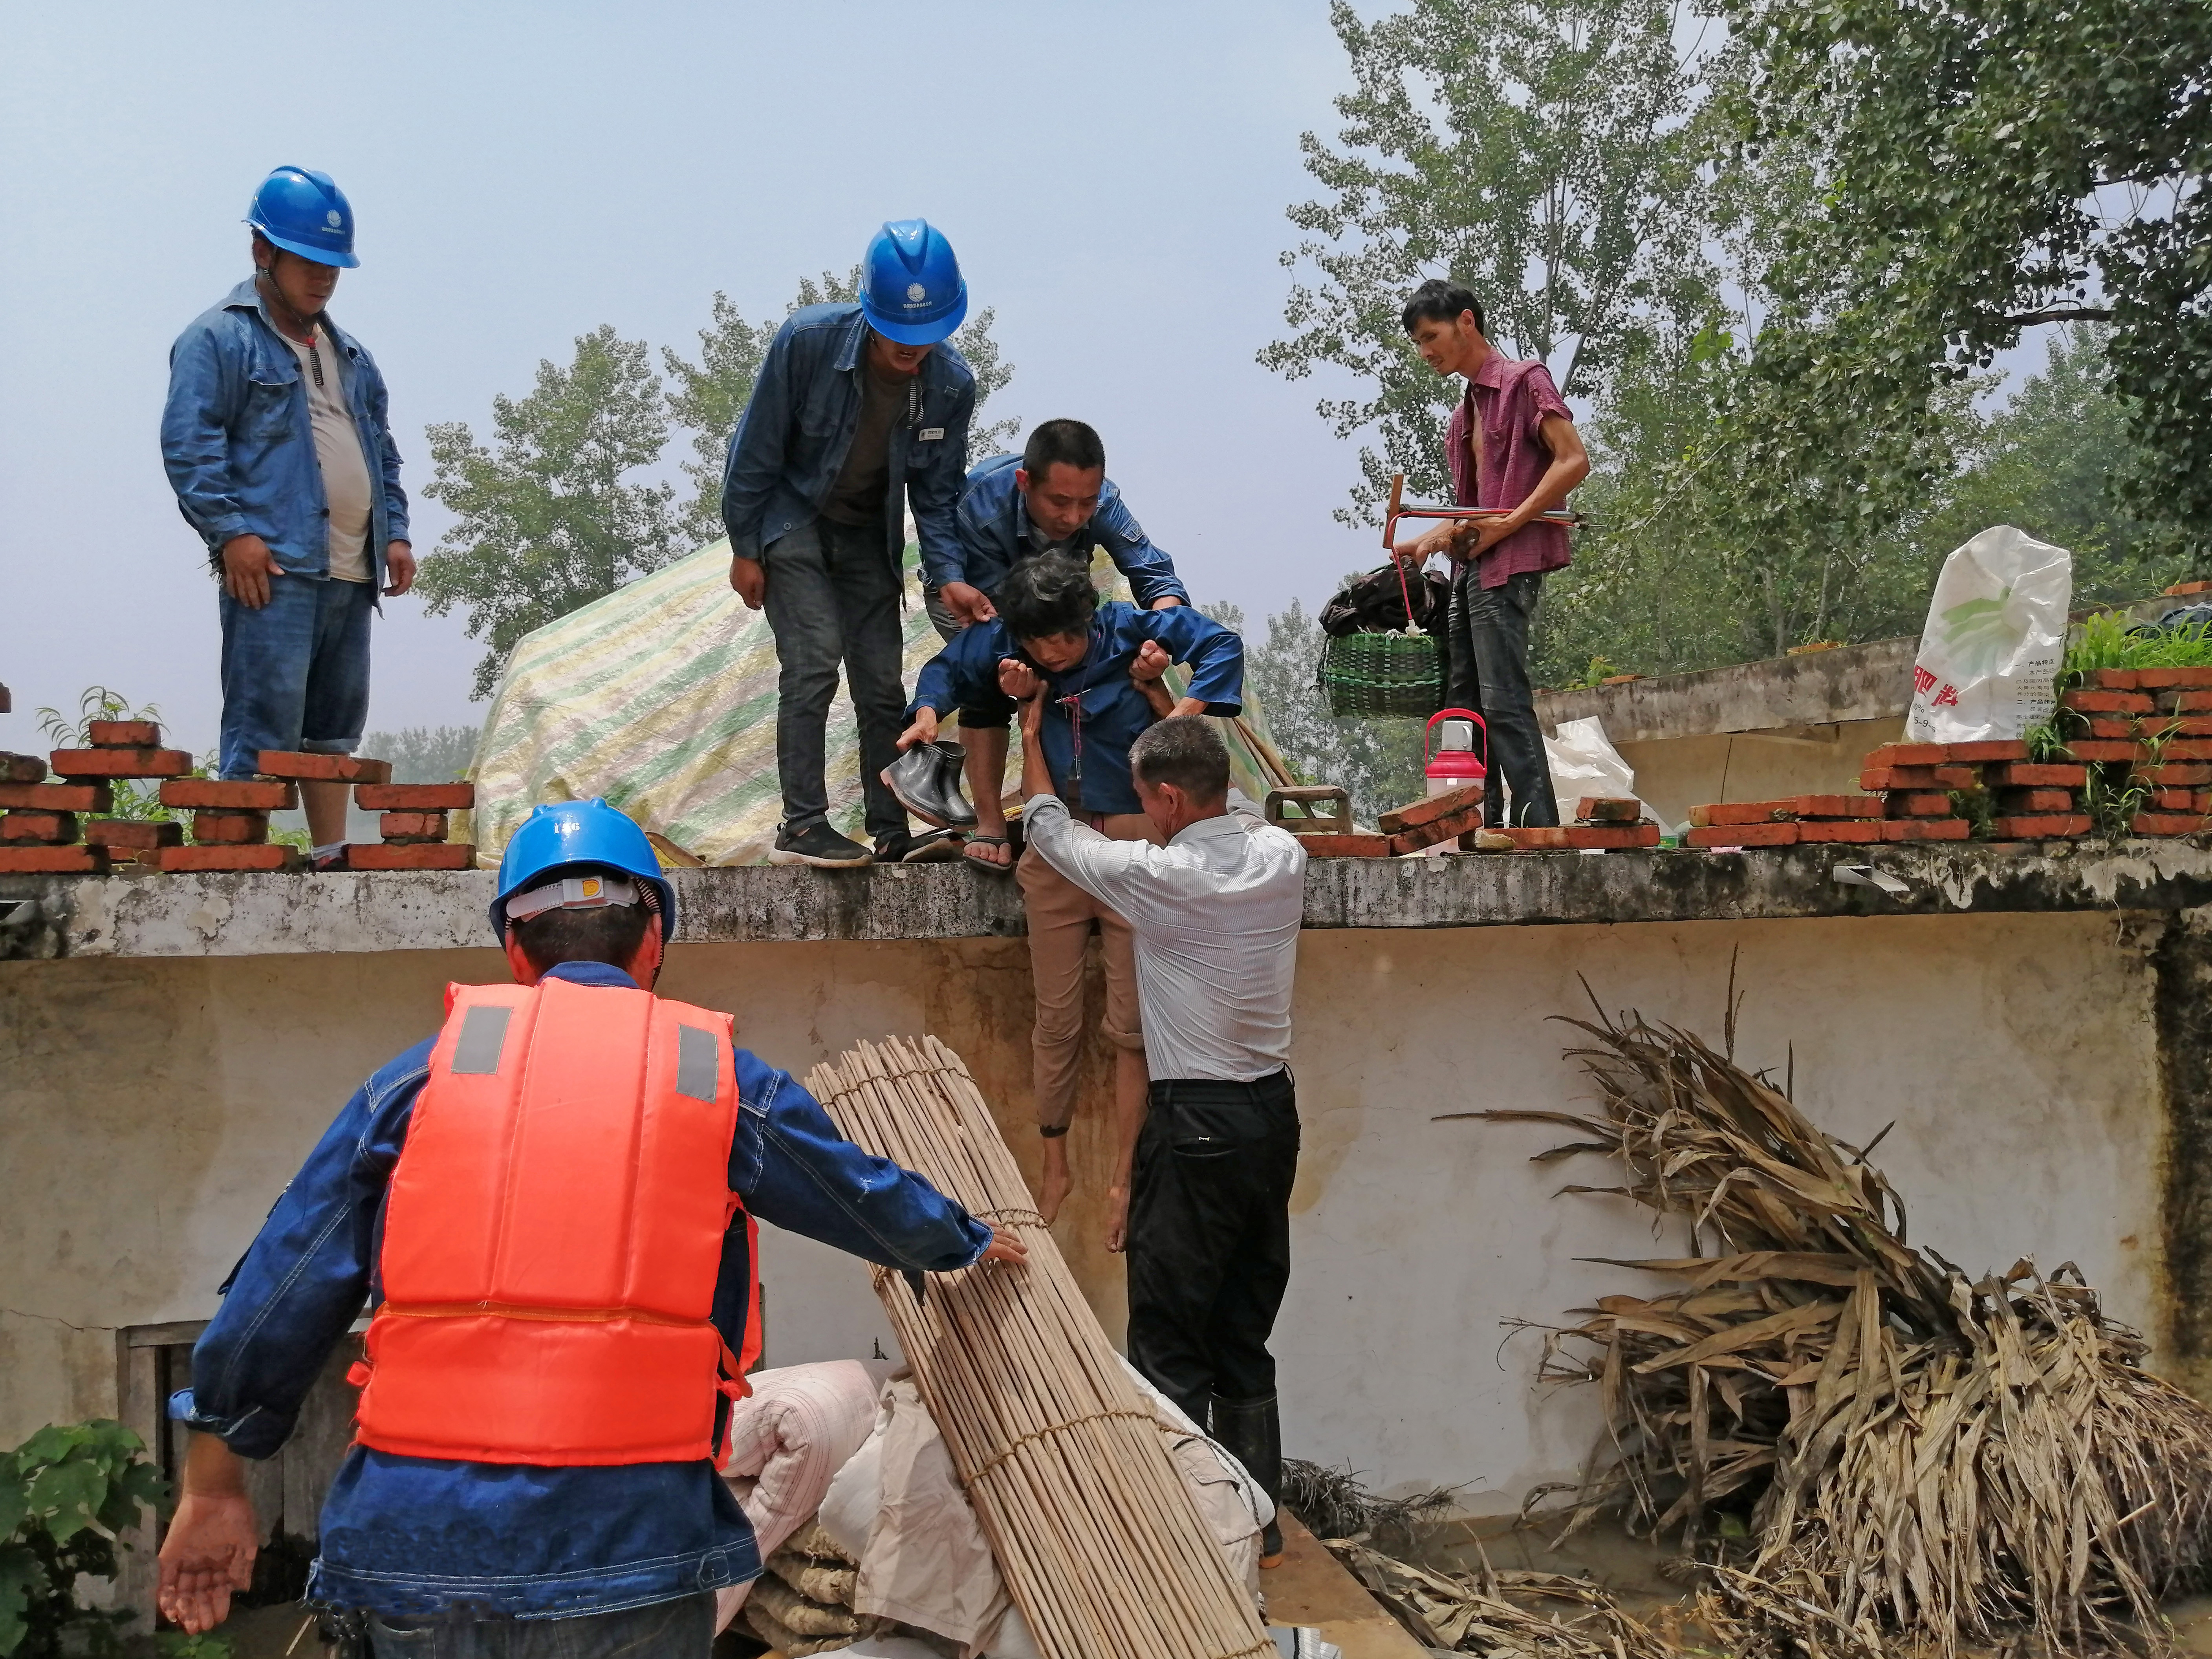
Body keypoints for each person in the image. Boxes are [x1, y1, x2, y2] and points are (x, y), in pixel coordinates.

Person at [153, 799, 1025, 1655]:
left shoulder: (418, 1082)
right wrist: (965, 1240)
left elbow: (279, 1287)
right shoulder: (713, 1077)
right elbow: (861, 1197)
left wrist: (215, 1484)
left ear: (513, 945)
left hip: (419, 1553)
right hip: (633, 1554)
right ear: (653, 939)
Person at [1012, 701, 1306, 1565]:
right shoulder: (1280, 855)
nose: (1144, 814)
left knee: (1168, 1338)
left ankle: (1180, 1537)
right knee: (1243, 1328)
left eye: (1147, 799)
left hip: (1195, 1124)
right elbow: (1237, 798)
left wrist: (1031, 743)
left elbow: (1049, 829)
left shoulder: (1156, 876)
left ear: (1169, 800)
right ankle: (1258, 1524)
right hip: (1270, 1117)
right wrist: (1156, 707)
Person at [896, 554, 1243, 1228]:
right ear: (1019, 636)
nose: (1054, 651)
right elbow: (944, 670)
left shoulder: (1128, 629)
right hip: (1055, 847)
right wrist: (928, 713)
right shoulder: (1010, 647)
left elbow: (1220, 643)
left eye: (1066, 638)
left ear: (1089, 618)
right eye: (1039, 642)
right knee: (1054, 1020)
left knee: (1133, 1028)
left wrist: (1181, 714)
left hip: (1134, 847)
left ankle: (1123, 1177)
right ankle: (1054, 1165)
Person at [161, 166, 414, 869]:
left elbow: (382, 454)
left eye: (334, 264)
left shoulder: (352, 354)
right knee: (263, 728)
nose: (325, 278)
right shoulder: (218, 340)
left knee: (332, 733)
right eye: (309, 260)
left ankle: (330, 856)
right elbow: (190, 446)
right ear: (261, 251)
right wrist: (232, 533)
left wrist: (393, 531)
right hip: (274, 568)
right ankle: (241, 864)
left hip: (349, 567)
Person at [720, 219, 976, 869]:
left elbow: (939, 495)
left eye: (926, 337)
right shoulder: (807, 342)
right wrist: (745, 545)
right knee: (812, 663)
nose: (911, 350)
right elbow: (755, 448)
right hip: (793, 519)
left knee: (882, 685)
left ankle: (891, 832)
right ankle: (803, 824)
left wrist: (948, 573)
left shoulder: (950, 385)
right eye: (898, 335)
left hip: (870, 532)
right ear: (869, 311)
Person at [921, 419, 1192, 871]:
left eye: (1087, 503)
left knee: (1077, 668)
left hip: (1053, 593)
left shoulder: (1104, 503)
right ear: (1024, 484)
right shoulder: (980, 508)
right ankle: (990, 822)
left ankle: (1079, 806)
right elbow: (1007, 632)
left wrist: (1160, 636)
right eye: (1059, 503)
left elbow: (1155, 576)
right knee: (996, 679)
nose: (1073, 518)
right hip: (970, 595)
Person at [1393, 279, 1589, 828]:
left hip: (1512, 565)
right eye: (1418, 343)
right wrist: (1428, 541)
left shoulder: (1525, 382)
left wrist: (1512, 522)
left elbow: (1573, 461)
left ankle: (1538, 829)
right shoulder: (1463, 418)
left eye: (1432, 336)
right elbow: (1474, 517)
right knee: (1462, 706)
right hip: (1472, 570)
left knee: (1504, 700)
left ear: (1467, 323)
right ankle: (1481, 824)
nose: (1426, 351)